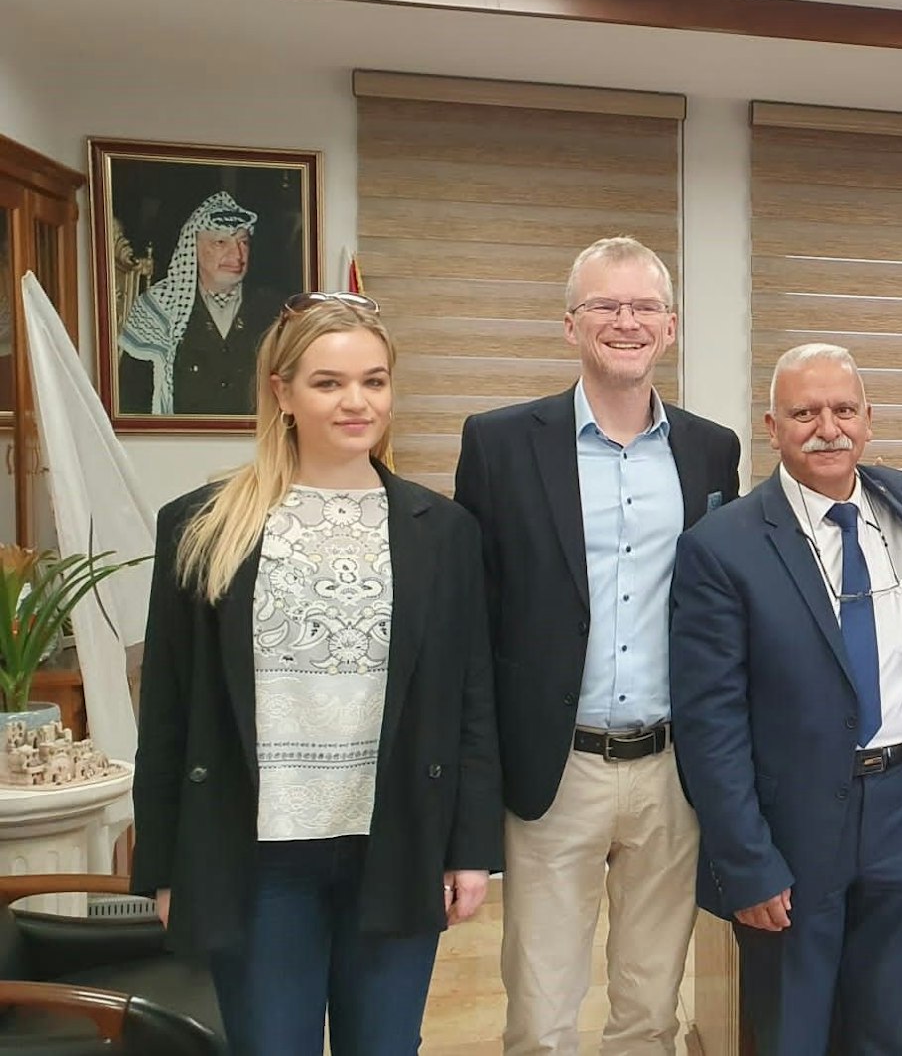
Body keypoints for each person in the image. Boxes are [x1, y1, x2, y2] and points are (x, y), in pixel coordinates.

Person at [131, 291, 502, 1053]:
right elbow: (167, 710)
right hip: (257, 857)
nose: (356, 401)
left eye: (373, 380)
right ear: (283, 392)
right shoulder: (202, 525)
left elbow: (470, 700)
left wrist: (471, 849)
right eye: (329, 383)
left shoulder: (445, 532)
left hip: (394, 843)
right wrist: (165, 866)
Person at [453, 236, 740, 1056]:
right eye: (605, 306)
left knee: (650, 1008)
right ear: (569, 324)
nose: (626, 321)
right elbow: (478, 614)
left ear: (671, 327)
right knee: (542, 1016)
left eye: (644, 306)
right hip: (555, 764)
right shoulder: (501, 442)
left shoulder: (711, 449)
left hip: (671, 769)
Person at [669, 343, 902, 1056]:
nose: (826, 427)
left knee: (895, 1023)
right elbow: (711, 724)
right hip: (788, 823)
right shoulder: (722, 545)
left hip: (901, 804)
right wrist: (747, 860)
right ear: (772, 426)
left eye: (843, 410)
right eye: (805, 412)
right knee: (793, 1028)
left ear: (868, 420)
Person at [118, 191, 285, 416]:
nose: (237, 255)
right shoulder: (157, 309)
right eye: (220, 242)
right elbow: (131, 402)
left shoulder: (274, 309)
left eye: (243, 242)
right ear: (193, 247)